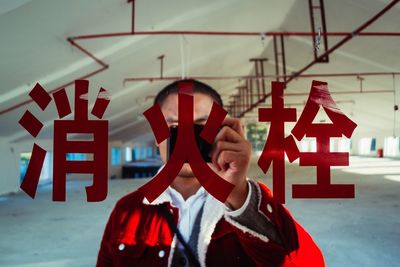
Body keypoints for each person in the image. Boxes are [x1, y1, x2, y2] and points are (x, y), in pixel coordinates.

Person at [96, 79, 325, 267]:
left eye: (200, 125)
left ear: (222, 130)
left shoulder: (249, 202)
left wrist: (238, 195)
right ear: (157, 135)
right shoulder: (127, 209)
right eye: (174, 126)